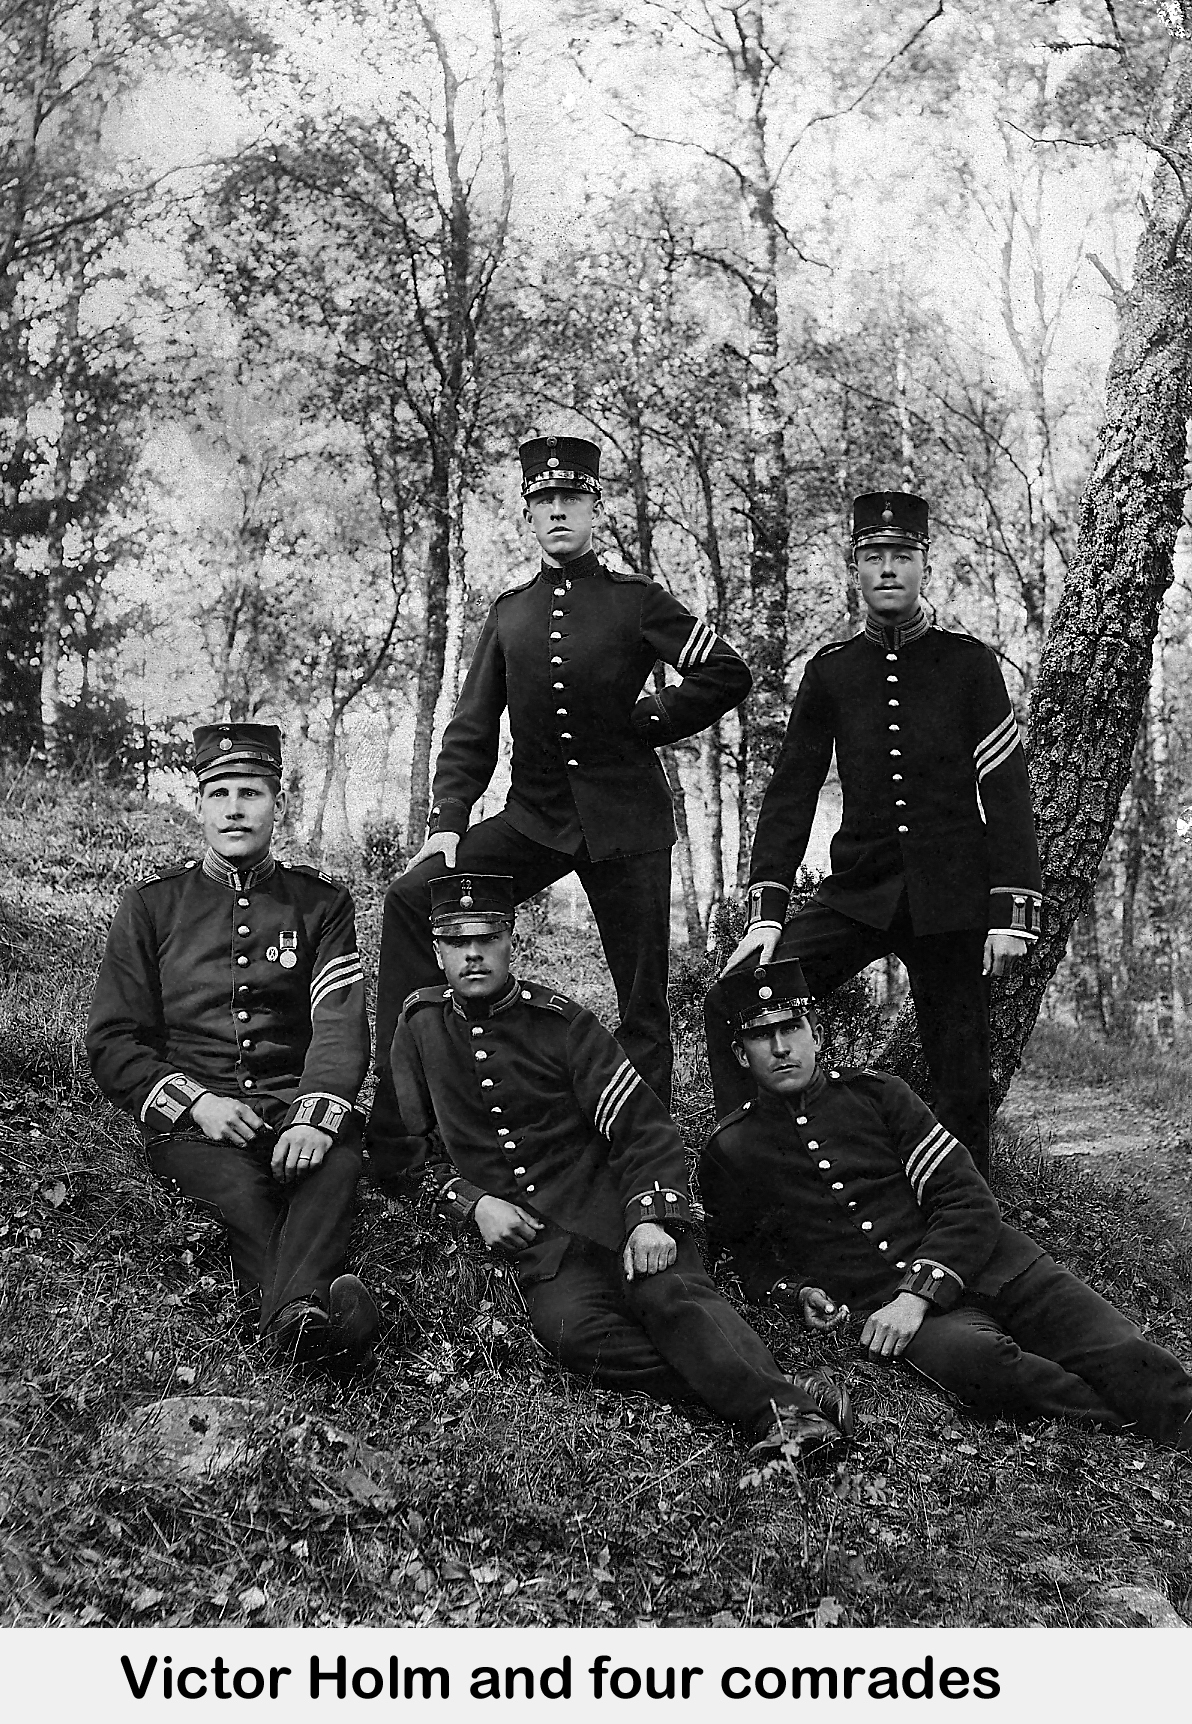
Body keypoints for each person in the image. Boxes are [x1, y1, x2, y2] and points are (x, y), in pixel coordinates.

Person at [368, 433, 751, 1186]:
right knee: (416, 899)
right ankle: (404, 1121)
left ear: (594, 507)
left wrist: (651, 719)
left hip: (627, 829)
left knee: (641, 1002)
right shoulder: (510, 613)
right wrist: (447, 825)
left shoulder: (636, 600)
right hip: (534, 820)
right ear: (526, 513)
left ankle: (650, 1167)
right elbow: (473, 728)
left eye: (570, 499)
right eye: (542, 501)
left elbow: (726, 671)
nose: (556, 513)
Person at [390, 873, 853, 1469]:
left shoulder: (561, 1026)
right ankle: (788, 1395)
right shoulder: (420, 1026)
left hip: (615, 1214)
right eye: (457, 942)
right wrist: (471, 1202)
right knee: (574, 1336)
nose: (473, 954)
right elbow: (401, 1145)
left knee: (669, 1296)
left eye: (488, 938)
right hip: (548, 1248)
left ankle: (783, 1417)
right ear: (437, 950)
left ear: (512, 940)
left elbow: (642, 1127)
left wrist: (650, 1219)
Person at [698, 959, 1192, 1448]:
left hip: (996, 1266)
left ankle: (1177, 1417)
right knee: (988, 1367)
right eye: (762, 1037)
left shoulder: (879, 1097)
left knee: (1118, 1348)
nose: (781, 1048)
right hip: (894, 1310)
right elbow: (746, 1257)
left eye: (792, 1028)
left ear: (817, 1035)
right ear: (742, 1056)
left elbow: (966, 1198)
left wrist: (917, 1293)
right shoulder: (733, 1150)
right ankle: (1134, 1423)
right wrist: (797, 1292)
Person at [704, 491, 1042, 1181]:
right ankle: (757, 1177)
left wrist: (1012, 911)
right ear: (854, 569)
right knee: (737, 996)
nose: (888, 569)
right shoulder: (831, 672)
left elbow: (1007, 794)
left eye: (902, 556)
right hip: (859, 893)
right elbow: (791, 794)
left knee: (961, 1081)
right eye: (873, 557)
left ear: (924, 566)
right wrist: (766, 917)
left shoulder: (970, 665)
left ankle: (969, 1230)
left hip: (951, 899)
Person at [86, 722, 379, 1369]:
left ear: (278, 803)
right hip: (199, 1126)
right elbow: (111, 1040)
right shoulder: (152, 906)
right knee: (243, 1198)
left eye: (251, 792)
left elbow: (338, 1023)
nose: (235, 807)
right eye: (219, 793)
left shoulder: (321, 906)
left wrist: (315, 1113)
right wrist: (196, 1105)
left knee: (331, 1165)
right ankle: (314, 1323)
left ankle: (289, 1327)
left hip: (290, 1106)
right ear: (200, 805)